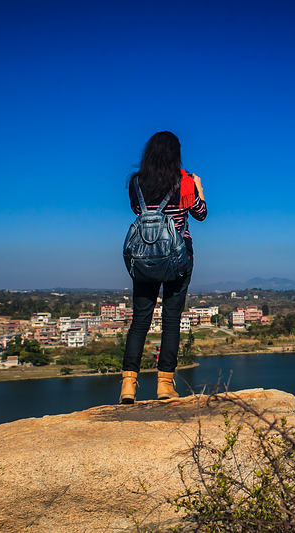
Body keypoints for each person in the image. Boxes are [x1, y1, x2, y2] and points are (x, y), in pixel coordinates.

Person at [119, 131, 207, 404]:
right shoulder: (186, 181)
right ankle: (165, 385)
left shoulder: (136, 182)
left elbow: (138, 211)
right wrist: (199, 188)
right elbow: (200, 214)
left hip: (145, 256)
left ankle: (128, 386)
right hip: (177, 257)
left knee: (140, 320)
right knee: (171, 320)